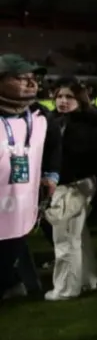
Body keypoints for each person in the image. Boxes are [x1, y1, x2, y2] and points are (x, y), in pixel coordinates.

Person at [0, 54, 62, 300]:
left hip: (20, 201)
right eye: (21, 78)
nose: (31, 83)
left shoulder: (41, 115)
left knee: (12, 245)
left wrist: (51, 174)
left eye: (33, 78)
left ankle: (12, 283)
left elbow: (54, 145)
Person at [45, 79, 97, 300]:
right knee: (78, 236)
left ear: (80, 99)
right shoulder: (64, 121)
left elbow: (78, 158)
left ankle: (65, 289)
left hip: (72, 185)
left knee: (65, 239)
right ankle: (87, 279)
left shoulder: (84, 125)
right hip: (79, 183)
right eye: (60, 96)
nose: (63, 101)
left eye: (69, 97)